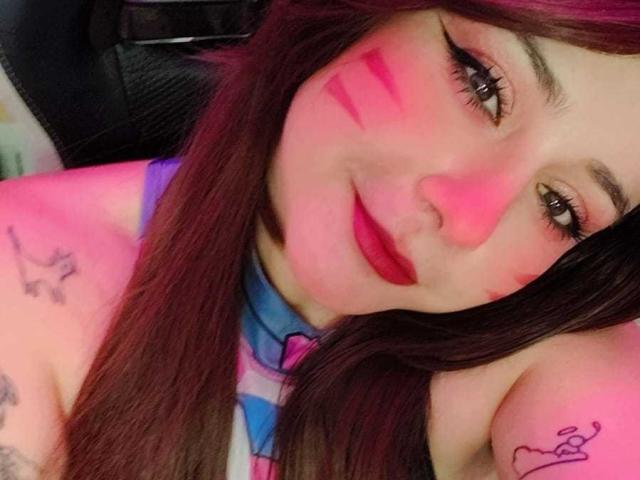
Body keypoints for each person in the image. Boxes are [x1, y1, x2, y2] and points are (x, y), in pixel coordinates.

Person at [1, 0, 640, 479]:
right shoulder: (28, 272)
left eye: (560, 208)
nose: (467, 220)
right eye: (481, 84)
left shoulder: (542, 360)